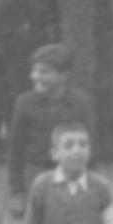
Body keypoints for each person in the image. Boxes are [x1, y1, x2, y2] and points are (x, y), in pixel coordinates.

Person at [8, 44, 97, 208]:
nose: (35, 76)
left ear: (64, 75)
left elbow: (90, 145)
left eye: (44, 72)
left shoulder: (80, 103)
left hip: (72, 172)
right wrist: (16, 190)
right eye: (34, 71)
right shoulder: (25, 103)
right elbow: (16, 148)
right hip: (35, 173)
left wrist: (91, 183)